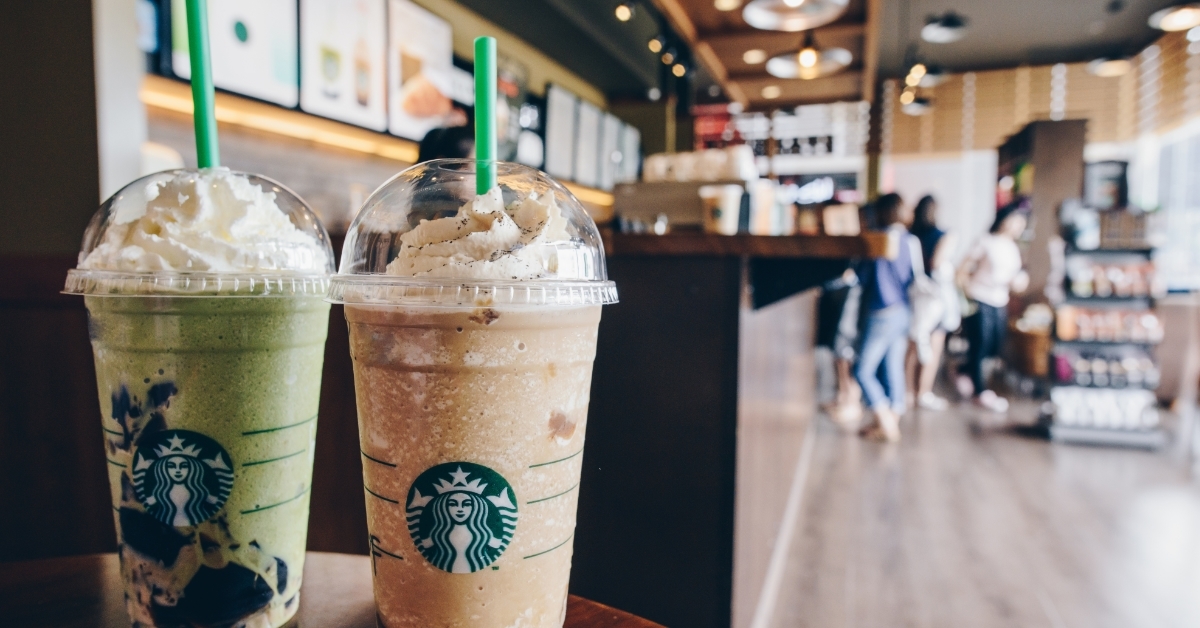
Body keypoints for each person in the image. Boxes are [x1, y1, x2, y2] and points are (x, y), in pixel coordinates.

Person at [854, 193, 919, 441]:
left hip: (881, 309)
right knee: (894, 368)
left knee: (863, 370)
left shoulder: (878, 241)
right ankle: (891, 419)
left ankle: (884, 420)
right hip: (903, 309)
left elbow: (861, 276)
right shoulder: (910, 241)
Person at [956, 200, 1030, 412]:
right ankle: (980, 391)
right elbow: (962, 269)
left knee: (995, 345)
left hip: (1000, 300)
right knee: (980, 343)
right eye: (1015, 221)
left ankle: (963, 370)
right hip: (980, 297)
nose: (1018, 226)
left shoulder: (1013, 247)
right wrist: (967, 294)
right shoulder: (985, 241)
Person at [905, 195, 958, 411]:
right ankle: (923, 392)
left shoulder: (909, 236)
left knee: (911, 346)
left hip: (912, 295)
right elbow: (937, 264)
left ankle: (907, 391)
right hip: (934, 298)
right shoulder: (944, 235)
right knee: (933, 347)